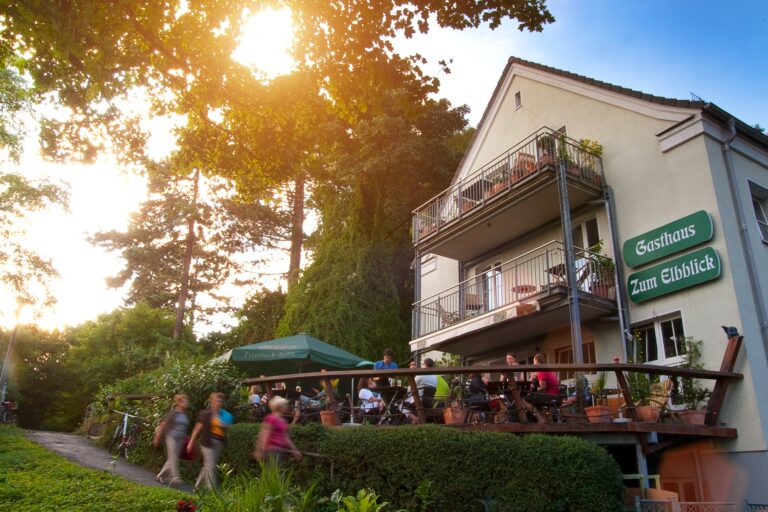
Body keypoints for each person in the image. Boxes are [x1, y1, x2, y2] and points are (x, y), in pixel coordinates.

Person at [187, 392, 229, 490]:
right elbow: (197, 429)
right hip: (207, 443)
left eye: (221, 401)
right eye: (217, 400)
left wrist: (224, 425)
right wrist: (191, 442)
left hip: (218, 443)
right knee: (211, 467)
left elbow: (227, 427)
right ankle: (212, 491)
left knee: (208, 465)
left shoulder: (223, 415)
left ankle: (197, 487)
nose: (219, 402)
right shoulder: (206, 414)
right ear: (212, 401)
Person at [153, 394, 190, 487]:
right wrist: (157, 437)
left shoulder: (185, 415)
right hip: (171, 437)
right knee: (173, 457)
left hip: (181, 439)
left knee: (172, 458)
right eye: (184, 401)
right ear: (179, 402)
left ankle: (160, 475)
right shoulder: (173, 413)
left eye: (187, 401)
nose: (186, 403)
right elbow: (163, 425)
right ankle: (176, 477)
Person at [253, 396, 302, 466]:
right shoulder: (271, 418)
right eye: (284, 405)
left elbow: (286, 437)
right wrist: (261, 450)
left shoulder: (282, 421)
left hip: (280, 451)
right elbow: (264, 435)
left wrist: (295, 450)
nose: (286, 407)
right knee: (272, 474)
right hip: (272, 451)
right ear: (279, 407)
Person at [404, 358, 438, 423]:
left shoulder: (421, 374)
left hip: (419, 401)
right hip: (429, 402)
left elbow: (410, 387)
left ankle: (416, 419)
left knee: (399, 404)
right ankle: (415, 422)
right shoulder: (435, 377)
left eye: (422, 364)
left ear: (425, 365)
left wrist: (407, 395)